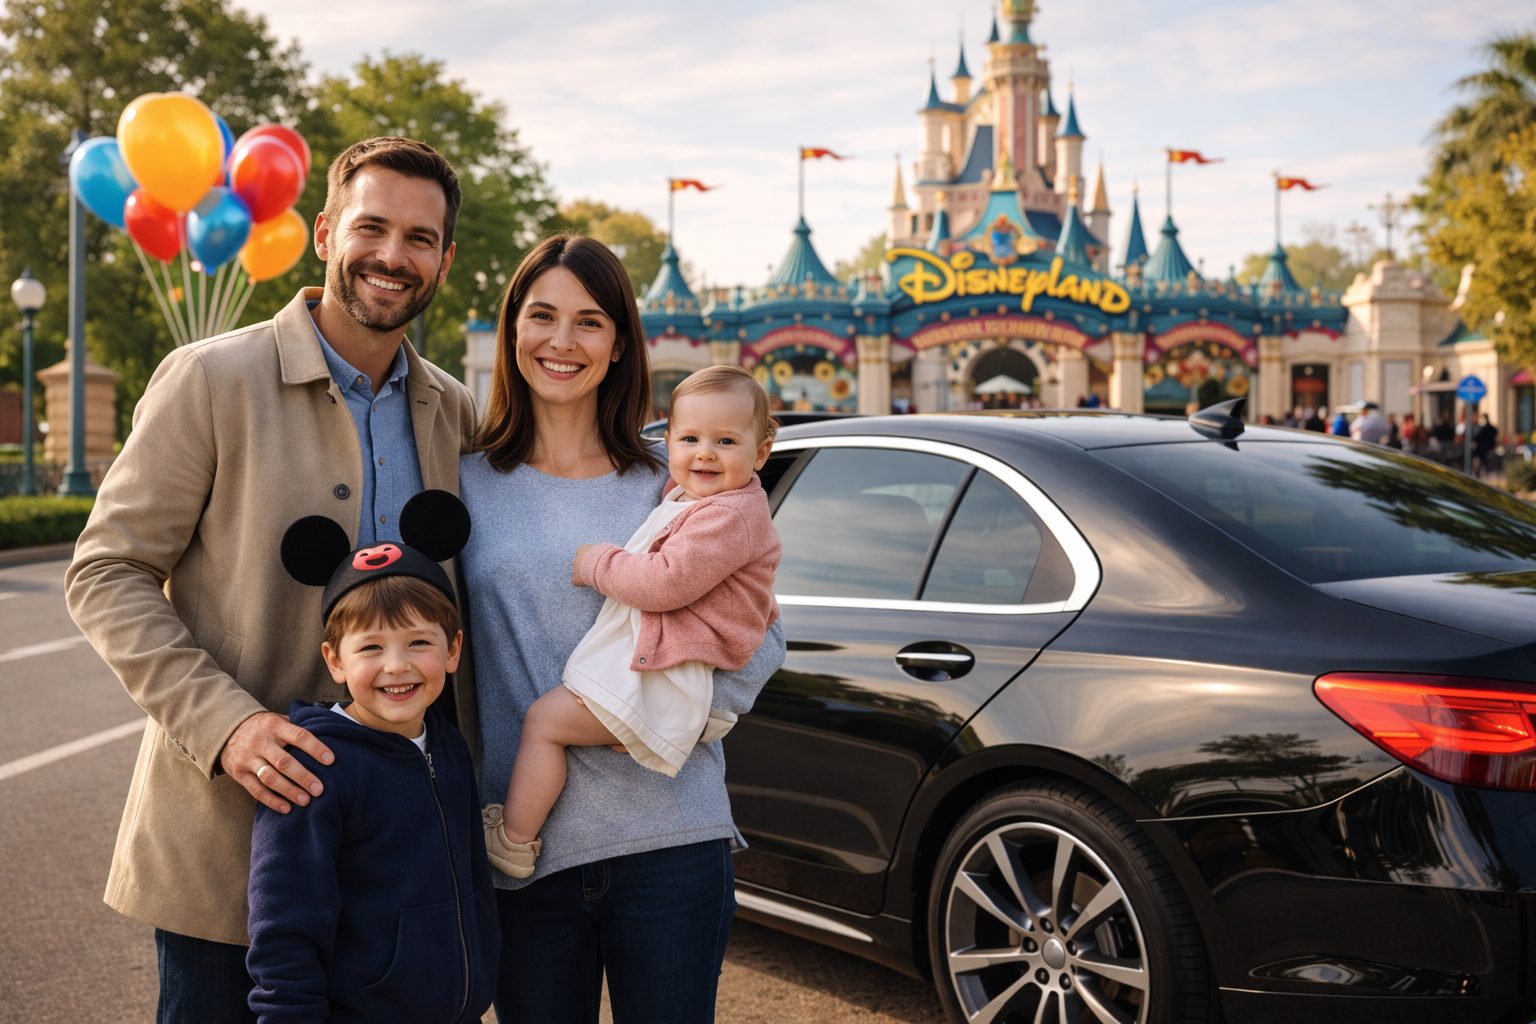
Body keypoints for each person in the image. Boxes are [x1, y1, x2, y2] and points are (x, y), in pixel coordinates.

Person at [65, 137, 475, 1024]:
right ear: (326, 232)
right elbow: (107, 571)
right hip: (232, 848)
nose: (392, 257)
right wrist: (230, 725)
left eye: (419, 238)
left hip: (403, 865)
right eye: (371, 227)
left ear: (445, 260)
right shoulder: (210, 380)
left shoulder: (455, 410)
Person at [455, 234, 787, 1023]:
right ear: (511, 332)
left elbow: (761, 636)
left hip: (669, 842)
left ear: (619, 346)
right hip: (522, 856)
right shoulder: (462, 482)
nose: (562, 341)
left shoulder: (676, 481)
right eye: (541, 316)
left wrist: (652, 717)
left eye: (590, 321)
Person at [483, 365, 781, 879]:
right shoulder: (691, 496)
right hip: (667, 672)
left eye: (726, 440)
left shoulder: (728, 514)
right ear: (668, 440)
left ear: (760, 452)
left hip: (669, 677)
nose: (704, 453)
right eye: (690, 438)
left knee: (545, 723)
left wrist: (595, 563)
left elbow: (666, 583)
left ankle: (514, 840)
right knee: (549, 724)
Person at [247, 491, 497, 1024]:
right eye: (371, 648)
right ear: (334, 660)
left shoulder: (447, 745)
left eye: (418, 643)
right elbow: (285, 924)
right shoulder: (314, 766)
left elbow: (473, 877)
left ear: (452, 650)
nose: (397, 667)